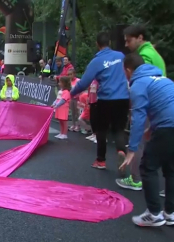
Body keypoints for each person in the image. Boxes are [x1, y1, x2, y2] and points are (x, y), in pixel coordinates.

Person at [119, 53, 174, 227]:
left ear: (128, 70)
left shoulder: (138, 85)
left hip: (167, 126)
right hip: (168, 125)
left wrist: (132, 150)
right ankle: (170, 213)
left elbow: (138, 118)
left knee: (148, 166)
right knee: (171, 168)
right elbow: (165, 106)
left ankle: (154, 214)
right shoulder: (163, 79)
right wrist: (152, 129)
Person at [117, 24, 167, 194]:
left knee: (142, 146)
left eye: (129, 40)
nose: (126, 45)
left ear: (140, 38)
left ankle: (137, 178)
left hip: (156, 110)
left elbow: (139, 117)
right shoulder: (153, 54)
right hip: (163, 109)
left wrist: (131, 150)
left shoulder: (143, 58)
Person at [70, 32, 130, 170]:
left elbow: (84, 83)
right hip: (123, 98)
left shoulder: (96, 61)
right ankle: (121, 151)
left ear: (97, 44)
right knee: (119, 129)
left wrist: (71, 93)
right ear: (109, 43)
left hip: (106, 99)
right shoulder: (121, 56)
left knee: (102, 130)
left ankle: (101, 161)